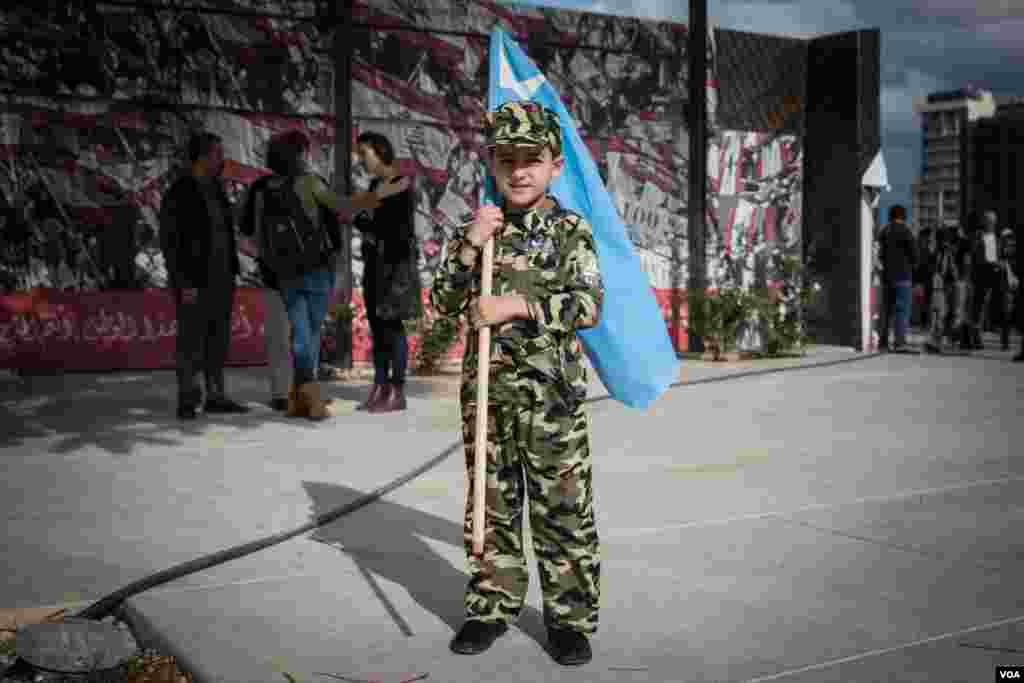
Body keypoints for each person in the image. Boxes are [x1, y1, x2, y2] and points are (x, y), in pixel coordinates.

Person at [430, 101, 604, 666]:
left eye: (532, 160)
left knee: (561, 511)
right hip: (487, 398)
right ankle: (491, 607)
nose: (520, 171)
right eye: (508, 160)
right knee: (492, 507)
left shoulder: (569, 230)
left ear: (555, 166)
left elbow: (588, 303)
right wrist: (470, 245)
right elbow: (442, 301)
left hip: (552, 401)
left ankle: (569, 621)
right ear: (494, 165)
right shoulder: (479, 229)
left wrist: (516, 304)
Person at [248, 130, 409, 420]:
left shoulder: (263, 187)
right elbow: (343, 207)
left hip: (281, 273)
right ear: (300, 155)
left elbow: (249, 228)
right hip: (313, 270)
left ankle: (297, 396)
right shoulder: (310, 183)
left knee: (298, 335)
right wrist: (377, 195)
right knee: (308, 335)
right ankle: (310, 397)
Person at [159, 131, 251, 420]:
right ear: (203, 156)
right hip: (194, 281)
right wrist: (183, 281)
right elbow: (171, 241)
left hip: (222, 278)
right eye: (217, 154)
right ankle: (188, 398)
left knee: (217, 338)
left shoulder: (217, 188)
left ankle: (216, 395)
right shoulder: (180, 192)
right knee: (190, 340)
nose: (222, 159)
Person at [352, 132, 422, 413]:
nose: (361, 160)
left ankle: (397, 389)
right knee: (377, 328)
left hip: (396, 267)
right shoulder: (375, 185)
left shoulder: (401, 185)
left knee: (393, 327)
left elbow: (399, 230)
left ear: (380, 153)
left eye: (365, 154)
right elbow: (360, 217)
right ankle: (379, 385)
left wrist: (372, 224)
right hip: (375, 265)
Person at [876, 204, 918, 352]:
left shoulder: (884, 232)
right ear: (903, 216)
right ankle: (899, 342)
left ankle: (883, 342)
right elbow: (914, 255)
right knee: (901, 310)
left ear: (890, 216)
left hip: (887, 277)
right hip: (903, 277)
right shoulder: (907, 232)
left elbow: (879, 253)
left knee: (886, 311)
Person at [968, 210, 1006, 350]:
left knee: (996, 307)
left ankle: (1003, 339)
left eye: (992, 220)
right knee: (978, 308)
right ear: (984, 222)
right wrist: (992, 263)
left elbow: (1001, 255)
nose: (990, 223)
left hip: (996, 276)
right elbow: (976, 256)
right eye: (987, 220)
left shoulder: (998, 238)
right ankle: (976, 339)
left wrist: (1001, 263)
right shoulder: (978, 236)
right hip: (981, 276)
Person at [924, 225, 960, 354]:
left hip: (940, 285)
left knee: (938, 314)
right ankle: (938, 341)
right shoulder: (945, 250)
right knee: (941, 314)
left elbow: (942, 269)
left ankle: (936, 342)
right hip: (945, 285)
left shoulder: (942, 250)